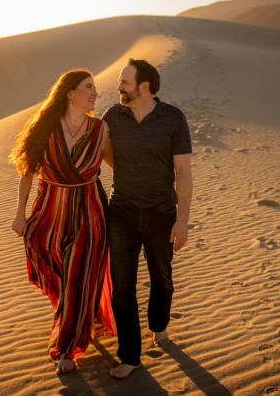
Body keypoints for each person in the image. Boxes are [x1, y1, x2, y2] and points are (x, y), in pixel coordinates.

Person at [10, 69, 116, 374]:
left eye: (95, 88)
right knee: (58, 271)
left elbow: (115, 164)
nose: (95, 93)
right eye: (88, 87)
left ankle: (68, 347)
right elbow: (27, 173)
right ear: (70, 93)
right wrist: (20, 213)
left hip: (90, 210)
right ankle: (77, 314)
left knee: (80, 275)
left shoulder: (100, 129)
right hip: (50, 209)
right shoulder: (44, 127)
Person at [101, 58, 193, 379]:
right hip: (122, 211)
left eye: (124, 82)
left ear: (144, 86)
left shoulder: (173, 119)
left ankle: (159, 325)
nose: (119, 87)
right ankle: (130, 356)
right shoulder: (113, 115)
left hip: (161, 213)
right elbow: (112, 159)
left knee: (162, 280)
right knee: (122, 288)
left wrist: (182, 221)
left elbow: (183, 172)